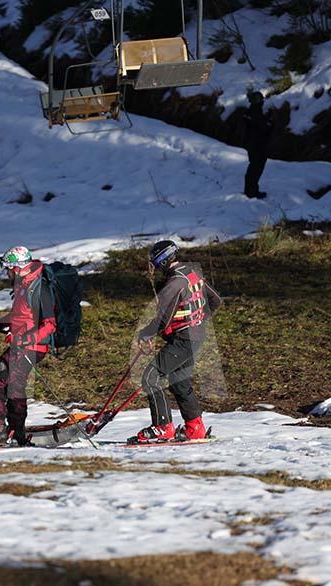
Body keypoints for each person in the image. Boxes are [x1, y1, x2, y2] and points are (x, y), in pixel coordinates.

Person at [133, 240, 222, 443]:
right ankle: (195, 427)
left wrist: (145, 334)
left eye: (155, 263)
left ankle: (162, 426)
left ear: (162, 261)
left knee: (150, 377)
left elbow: (163, 320)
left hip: (182, 340)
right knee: (179, 381)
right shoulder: (192, 273)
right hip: (195, 337)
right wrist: (198, 321)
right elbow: (215, 300)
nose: (154, 267)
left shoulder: (174, 283)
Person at [0, 246, 56, 445]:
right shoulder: (23, 285)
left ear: (17, 268)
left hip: (30, 348)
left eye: (8, 269)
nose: (6, 273)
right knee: (14, 389)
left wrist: (24, 340)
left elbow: (50, 325)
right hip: (22, 347)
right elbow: (18, 317)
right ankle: (17, 433)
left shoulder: (38, 288)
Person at [243, 91, 273, 199]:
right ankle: (251, 192)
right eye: (257, 99)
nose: (260, 101)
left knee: (255, 168)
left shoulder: (253, 111)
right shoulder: (254, 111)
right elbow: (260, 127)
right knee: (255, 168)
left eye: (259, 99)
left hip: (256, 144)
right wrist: (269, 122)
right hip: (257, 145)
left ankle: (252, 190)